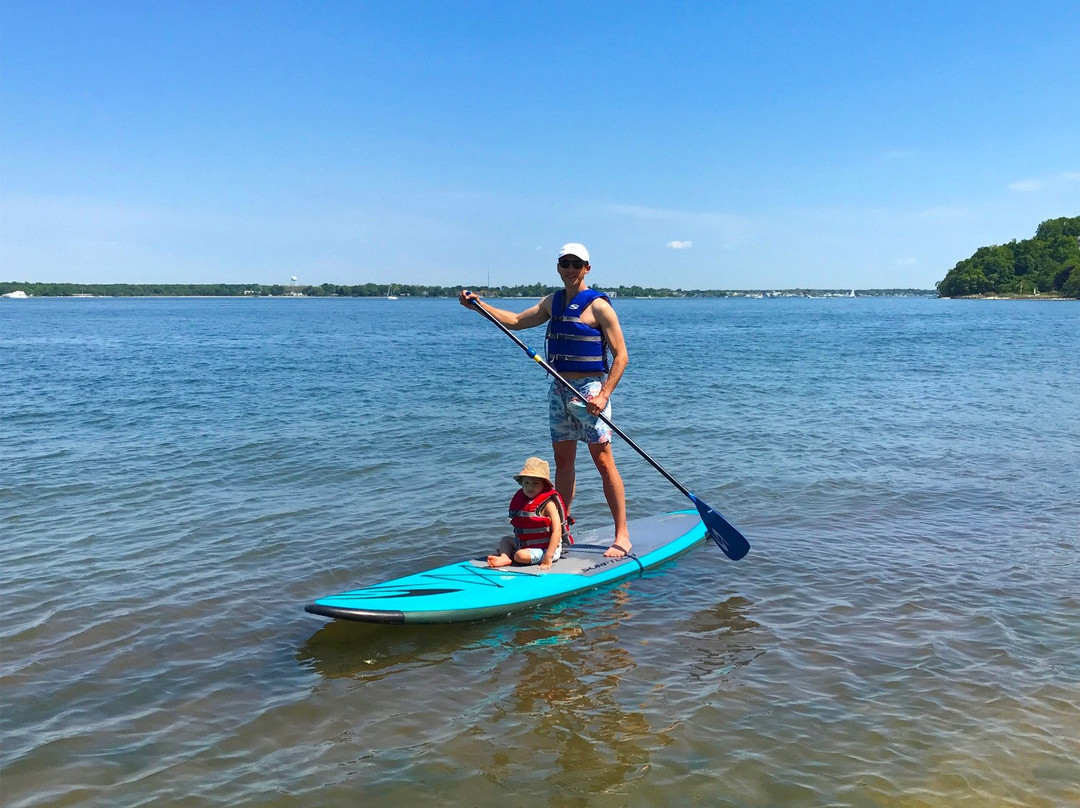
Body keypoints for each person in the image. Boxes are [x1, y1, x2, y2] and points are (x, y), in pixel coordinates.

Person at [460, 243, 631, 557]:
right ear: (558, 266)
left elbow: (621, 357)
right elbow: (514, 321)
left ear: (587, 268)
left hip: (589, 391)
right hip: (559, 391)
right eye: (565, 263)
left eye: (576, 264)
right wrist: (480, 307)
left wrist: (605, 394)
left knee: (604, 462)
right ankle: (561, 533)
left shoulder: (600, 307)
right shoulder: (553, 302)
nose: (570, 269)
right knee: (564, 463)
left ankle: (622, 535)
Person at [489, 457, 567, 570]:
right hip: (526, 545)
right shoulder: (522, 501)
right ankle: (505, 557)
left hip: (548, 548)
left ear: (544, 485)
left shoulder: (548, 504)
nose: (529, 487)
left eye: (535, 483)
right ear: (521, 484)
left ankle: (516, 554)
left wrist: (548, 556)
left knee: (520, 555)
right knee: (505, 540)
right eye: (526, 482)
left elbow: (557, 531)